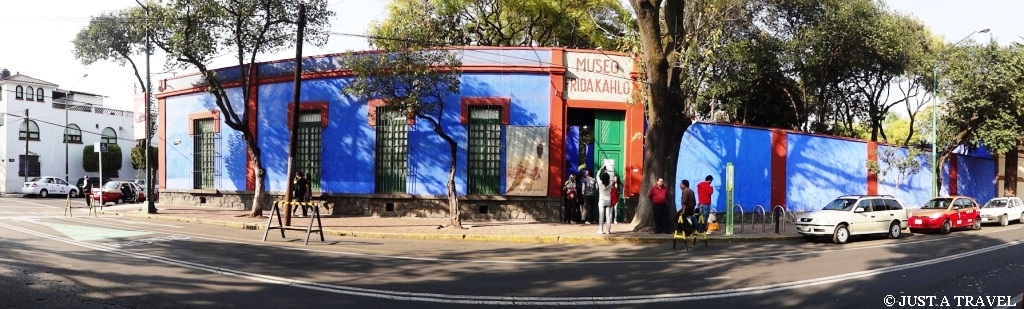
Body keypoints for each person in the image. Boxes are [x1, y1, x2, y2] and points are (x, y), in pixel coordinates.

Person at [597, 167, 614, 234]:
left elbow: (597, 175)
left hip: (602, 200)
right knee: (608, 216)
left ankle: (601, 230)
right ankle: (608, 230)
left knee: (601, 215)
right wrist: (608, 171)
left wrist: (601, 169)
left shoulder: (600, 183)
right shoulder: (610, 184)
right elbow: (612, 177)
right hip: (608, 200)